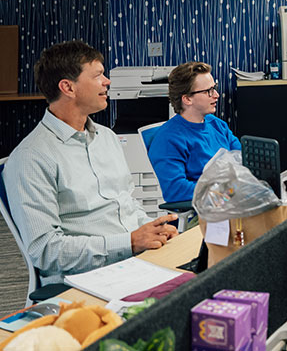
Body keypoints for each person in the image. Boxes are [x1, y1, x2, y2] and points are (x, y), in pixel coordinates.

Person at [3, 41, 177, 284]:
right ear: (68, 87)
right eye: (97, 76)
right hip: (87, 279)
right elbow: (45, 251)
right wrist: (129, 242)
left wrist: (154, 229)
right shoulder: (31, 157)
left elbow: (126, 204)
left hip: (136, 261)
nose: (107, 81)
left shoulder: (106, 137)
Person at [148, 62, 240, 203]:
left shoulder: (217, 125)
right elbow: (175, 190)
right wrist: (222, 192)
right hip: (206, 208)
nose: (216, 95)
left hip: (233, 197)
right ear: (187, 99)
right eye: (208, 91)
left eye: (214, 88)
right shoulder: (168, 139)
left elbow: (242, 158)